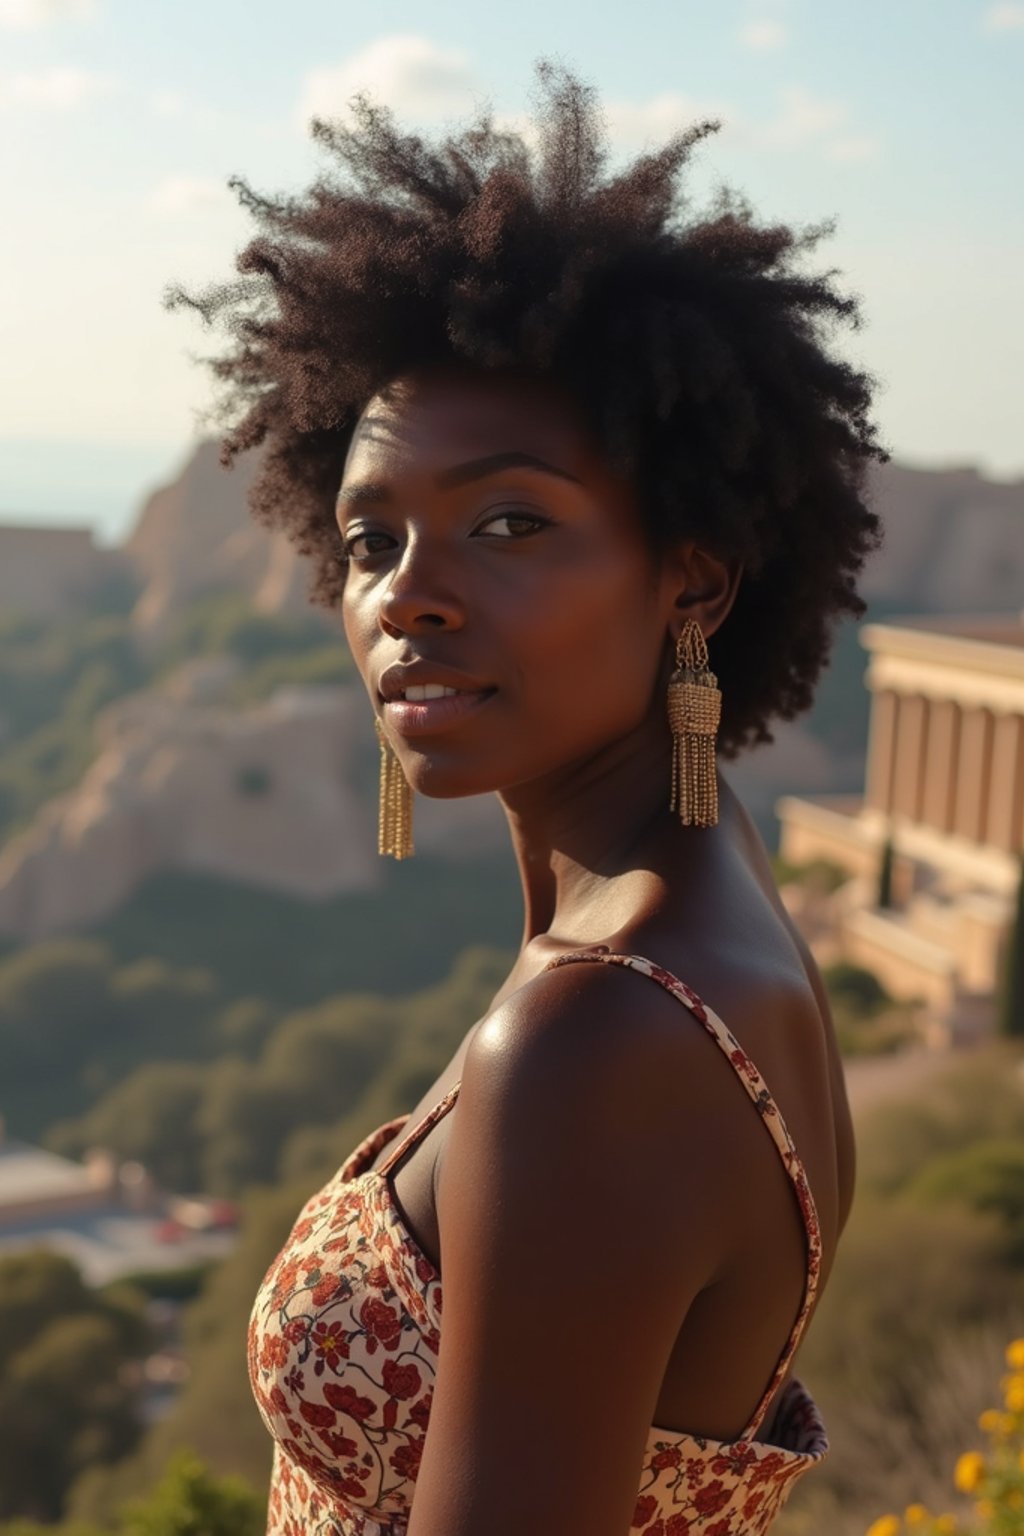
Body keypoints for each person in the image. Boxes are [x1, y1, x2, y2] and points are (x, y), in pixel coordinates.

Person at [169, 58, 885, 1536]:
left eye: (506, 522)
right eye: (371, 540)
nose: (406, 599)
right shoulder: (703, 922)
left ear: (691, 572)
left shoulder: (594, 1037)